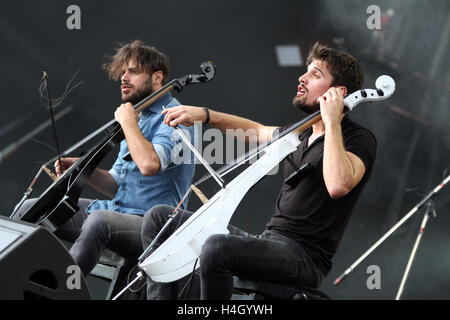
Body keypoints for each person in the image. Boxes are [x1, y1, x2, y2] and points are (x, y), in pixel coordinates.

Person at [140, 42, 377, 300]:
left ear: (338, 92)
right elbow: (256, 130)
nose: (302, 77)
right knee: (160, 219)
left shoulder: (358, 139)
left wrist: (332, 121)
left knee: (216, 247)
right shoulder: (300, 134)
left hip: (304, 258)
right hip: (268, 240)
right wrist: (205, 115)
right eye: (306, 71)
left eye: (315, 74)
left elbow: (337, 185)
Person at [13, 40, 195, 277]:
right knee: (29, 209)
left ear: (157, 77)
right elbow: (116, 184)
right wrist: (82, 169)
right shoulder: (136, 116)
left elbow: (150, 164)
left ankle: (58, 289)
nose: (124, 77)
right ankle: (15, 276)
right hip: (118, 210)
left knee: (99, 221)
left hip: (154, 227)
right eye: (122, 72)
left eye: (133, 71)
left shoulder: (174, 116)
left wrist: (128, 123)